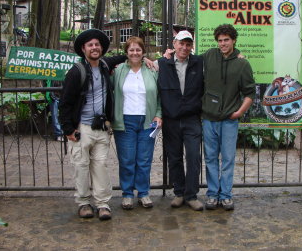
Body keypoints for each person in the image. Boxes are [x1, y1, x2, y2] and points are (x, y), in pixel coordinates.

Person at [59, 28, 127, 221]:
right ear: (84, 48)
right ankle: (83, 203)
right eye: (90, 45)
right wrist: (68, 129)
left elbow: (124, 56)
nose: (95, 48)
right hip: (82, 128)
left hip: (101, 128)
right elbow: (65, 103)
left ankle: (103, 203)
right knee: (80, 166)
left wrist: (145, 58)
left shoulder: (105, 65)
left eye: (97, 45)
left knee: (101, 167)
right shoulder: (76, 72)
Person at [202, 24, 255, 211]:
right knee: (209, 158)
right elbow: (188, 62)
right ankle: (212, 195)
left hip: (229, 120)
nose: (223, 44)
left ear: (233, 40)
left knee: (228, 159)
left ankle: (225, 196)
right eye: (220, 40)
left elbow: (250, 93)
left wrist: (239, 112)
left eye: (226, 40)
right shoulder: (209, 56)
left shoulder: (242, 64)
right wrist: (166, 56)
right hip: (208, 118)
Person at [112, 36, 162, 210]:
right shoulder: (118, 71)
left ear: (143, 52)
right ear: (126, 52)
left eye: (138, 50)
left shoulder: (152, 70)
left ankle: (143, 193)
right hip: (124, 121)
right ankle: (127, 194)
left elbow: (160, 96)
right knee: (127, 160)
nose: (135, 53)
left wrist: (158, 114)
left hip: (147, 120)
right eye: (131, 50)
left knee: (144, 159)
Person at [157, 30, 204, 211]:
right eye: (181, 43)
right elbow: (139, 64)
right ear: (174, 44)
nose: (184, 47)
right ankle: (179, 193)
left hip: (192, 119)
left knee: (193, 157)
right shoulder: (162, 63)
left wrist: (238, 53)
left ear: (192, 46)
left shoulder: (199, 62)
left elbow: (219, 56)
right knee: (174, 158)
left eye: (188, 44)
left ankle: (191, 195)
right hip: (171, 120)